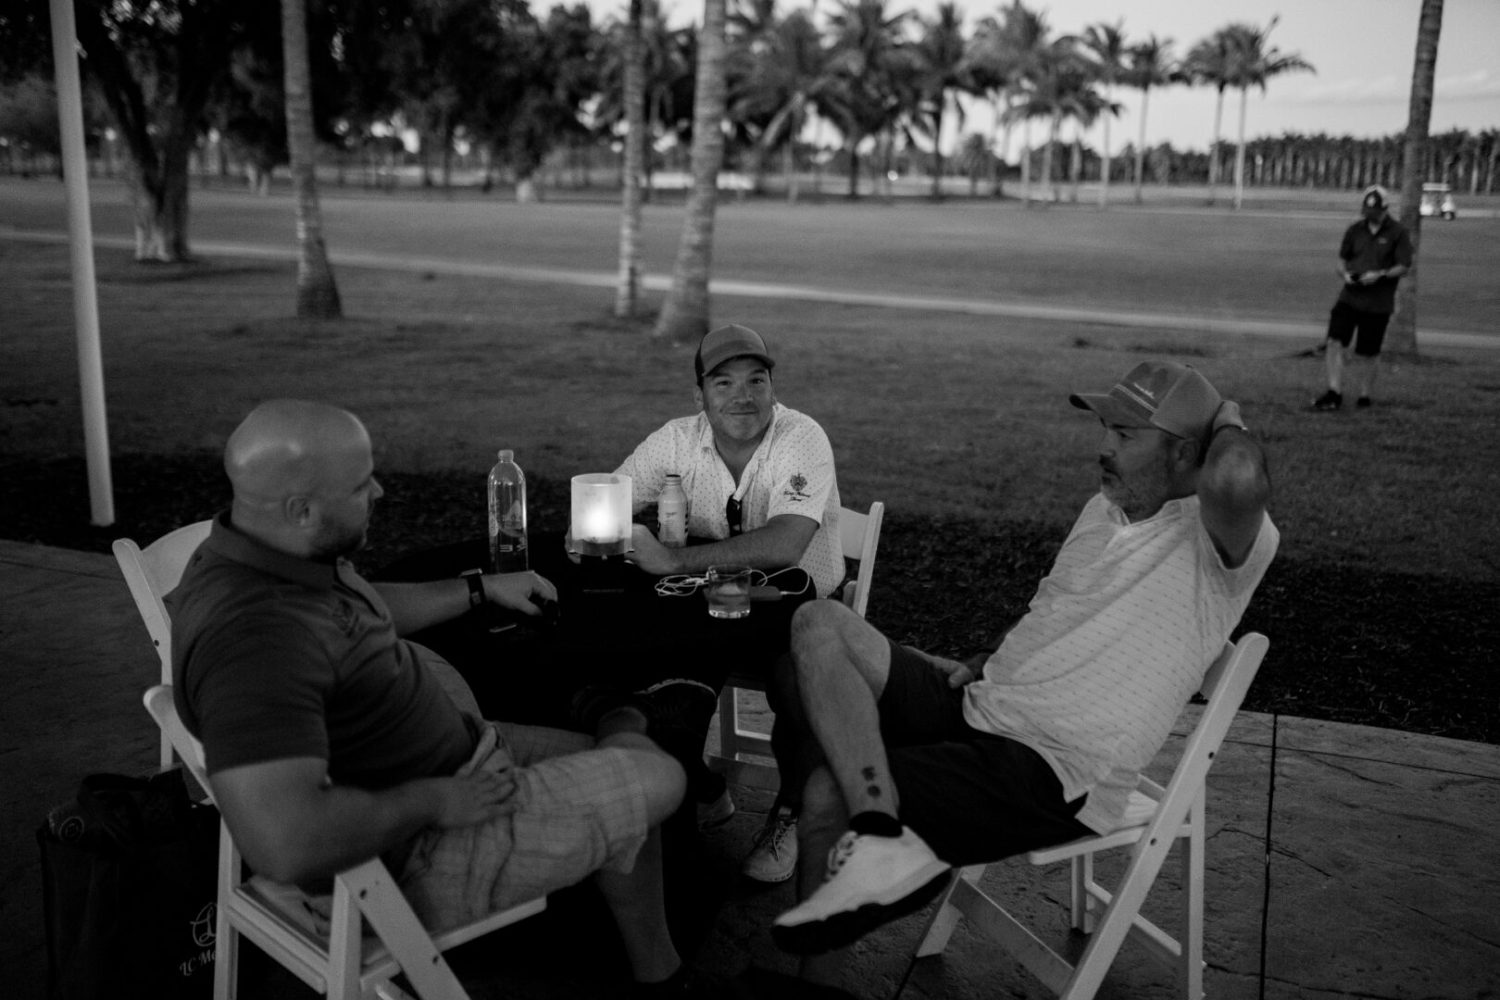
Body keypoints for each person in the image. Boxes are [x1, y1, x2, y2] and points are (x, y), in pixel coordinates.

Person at [168, 399, 727, 998]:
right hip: (415, 856)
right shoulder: (257, 642)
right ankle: (627, 715)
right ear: (301, 509)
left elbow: (358, 603)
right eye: (361, 486)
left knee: (610, 762)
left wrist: (480, 589)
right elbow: (287, 843)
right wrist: (435, 800)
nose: (380, 490)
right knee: (662, 777)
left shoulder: (259, 550)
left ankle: (658, 971)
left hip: (451, 764)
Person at [764, 361, 1279, 986]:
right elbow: (1057, 605)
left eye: (1124, 434)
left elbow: (1236, 473)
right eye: (1105, 429)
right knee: (816, 628)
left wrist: (1227, 418)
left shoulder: (1222, 543)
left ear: (1185, 454)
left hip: (1052, 766)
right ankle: (881, 825)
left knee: (826, 791)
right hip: (982, 702)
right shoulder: (1104, 508)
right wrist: (990, 657)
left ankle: (816, 981)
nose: (1103, 448)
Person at [612, 323, 844, 879]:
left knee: (799, 680)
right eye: (723, 383)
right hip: (707, 600)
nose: (742, 395)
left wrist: (670, 560)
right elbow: (610, 496)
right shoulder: (676, 439)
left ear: (771, 386)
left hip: (795, 602)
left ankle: (791, 814)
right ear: (699, 395)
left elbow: (787, 544)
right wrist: (601, 526)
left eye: (756, 380)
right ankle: (702, 785)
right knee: (642, 665)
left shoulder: (801, 436)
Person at [1312, 185, 1414, 411]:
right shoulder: (1355, 230)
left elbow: (1404, 266)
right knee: (1334, 341)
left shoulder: (1398, 233)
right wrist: (1346, 275)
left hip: (1378, 303)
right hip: (1349, 297)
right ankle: (1334, 392)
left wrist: (1379, 275)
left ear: (1384, 209)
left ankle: (1364, 395)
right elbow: (1341, 261)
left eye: (1375, 211)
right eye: (1367, 211)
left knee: (1368, 351)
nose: (1370, 215)